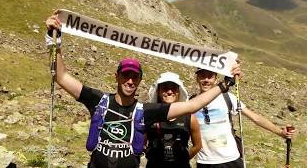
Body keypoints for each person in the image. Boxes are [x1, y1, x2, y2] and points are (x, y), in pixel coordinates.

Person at [45, 13, 241, 168]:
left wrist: (224, 85)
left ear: (139, 80)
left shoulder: (145, 111)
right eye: (125, 75)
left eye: (134, 77)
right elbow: (60, 77)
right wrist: (55, 40)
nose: (129, 81)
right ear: (117, 76)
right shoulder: (99, 100)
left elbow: (193, 104)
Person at [192, 68, 296, 168]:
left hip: (231, 159)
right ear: (197, 78)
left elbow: (255, 118)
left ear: (215, 78)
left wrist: (280, 132)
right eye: (202, 76)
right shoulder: (190, 103)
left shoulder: (227, 98)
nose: (206, 80)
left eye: (210, 76)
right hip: (205, 162)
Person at [145, 72, 201, 168]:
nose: (169, 91)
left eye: (173, 88)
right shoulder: (149, 115)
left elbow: (197, 146)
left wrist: (183, 159)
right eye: (165, 88)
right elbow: (141, 144)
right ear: (158, 91)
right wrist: (153, 157)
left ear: (179, 91)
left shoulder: (190, 117)